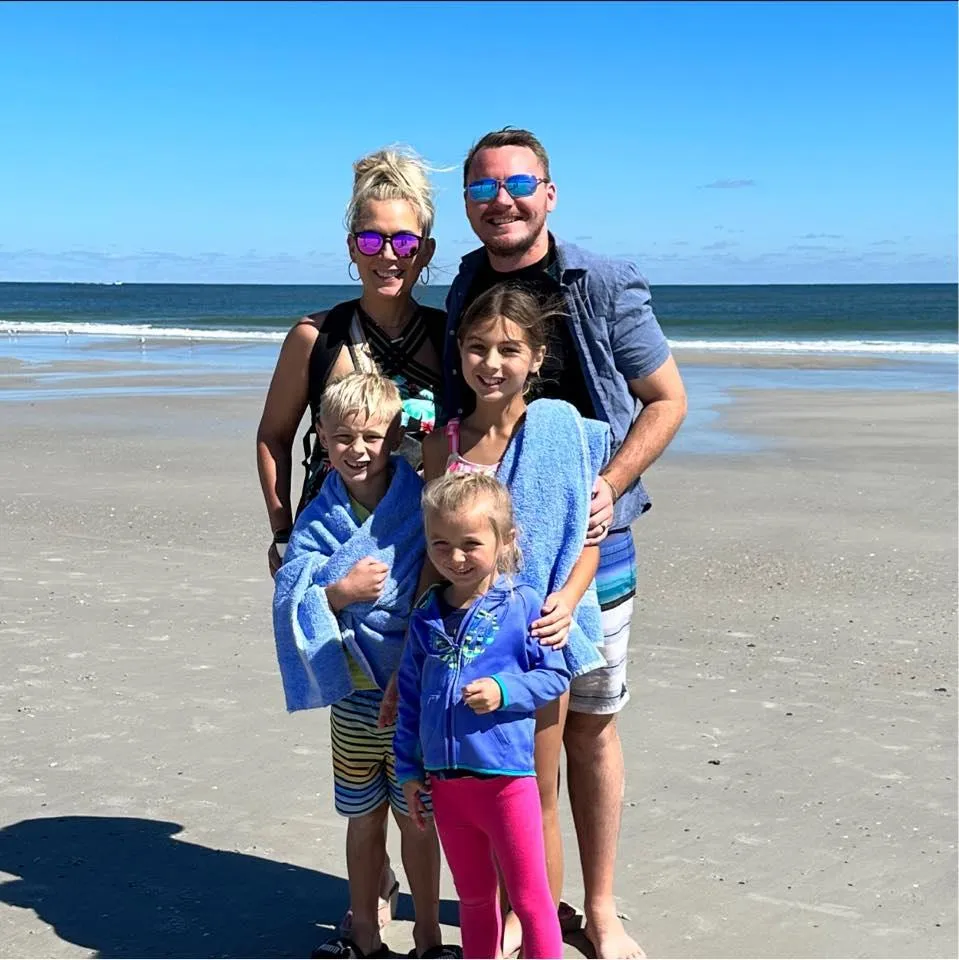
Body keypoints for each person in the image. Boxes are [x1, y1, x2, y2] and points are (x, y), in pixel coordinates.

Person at [443, 128, 689, 960]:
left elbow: (665, 400)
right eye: (482, 190)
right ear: (469, 206)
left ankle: (602, 907)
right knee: (520, 738)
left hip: (596, 544)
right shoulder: (468, 284)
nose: (500, 200)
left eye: (517, 184)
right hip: (494, 568)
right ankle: (530, 907)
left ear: (549, 193)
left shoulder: (605, 282)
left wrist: (606, 486)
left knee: (589, 724)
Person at [256, 146, 445, 938]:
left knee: (424, 775)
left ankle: (424, 917)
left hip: (424, 576)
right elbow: (272, 436)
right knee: (361, 762)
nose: (387, 255)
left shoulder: (448, 337)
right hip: (339, 561)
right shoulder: (317, 335)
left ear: (425, 250)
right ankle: (365, 913)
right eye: (371, 239)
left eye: (403, 241)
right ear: (350, 246)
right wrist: (279, 536)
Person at [420, 282, 611, 954]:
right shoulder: (445, 444)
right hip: (457, 648)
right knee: (472, 794)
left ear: (535, 356)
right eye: (476, 348)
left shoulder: (561, 430)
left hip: (528, 640)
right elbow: (429, 551)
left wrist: (565, 598)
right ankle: (495, 916)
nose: (490, 362)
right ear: (460, 355)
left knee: (534, 795)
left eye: (507, 349)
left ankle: (536, 929)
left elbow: (586, 536)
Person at [272, 373, 458, 960]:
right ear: (322, 438)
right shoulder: (320, 515)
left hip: (410, 693)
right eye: (343, 437)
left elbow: (448, 577)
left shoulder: (420, 502)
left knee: (418, 821)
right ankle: (366, 936)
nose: (359, 450)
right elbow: (291, 589)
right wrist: (337, 590)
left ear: (396, 435)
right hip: (354, 697)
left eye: (374, 437)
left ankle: (429, 937)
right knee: (362, 818)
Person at [393, 472, 570, 960]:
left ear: (505, 540)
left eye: (471, 543)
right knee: (473, 899)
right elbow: (410, 697)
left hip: (506, 781)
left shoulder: (524, 605)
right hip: (446, 786)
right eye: (440, 544)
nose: (455, 557)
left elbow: (556, 675)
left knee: (531, 901)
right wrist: (409, 771)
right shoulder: (427, 614)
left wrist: (504, 689)